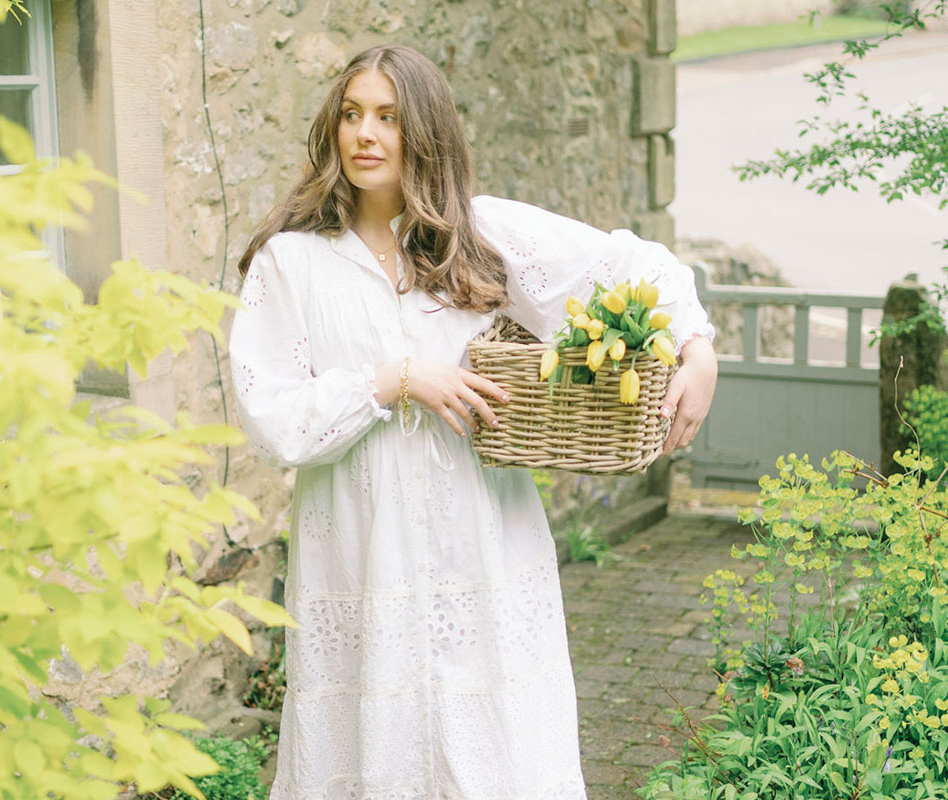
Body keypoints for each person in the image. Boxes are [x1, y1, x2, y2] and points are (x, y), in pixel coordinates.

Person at [229, 44, 717, 800]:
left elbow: (635, 266)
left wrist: (698, 348)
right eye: (351, 115)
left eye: (388, 118)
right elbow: (277, 417)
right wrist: (392, 381)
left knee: (499, 749)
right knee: (368, 748)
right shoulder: (292, 263)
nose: (365, 134)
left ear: (424, 132)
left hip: (482, 539)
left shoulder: (480, 234)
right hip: (360, 545)